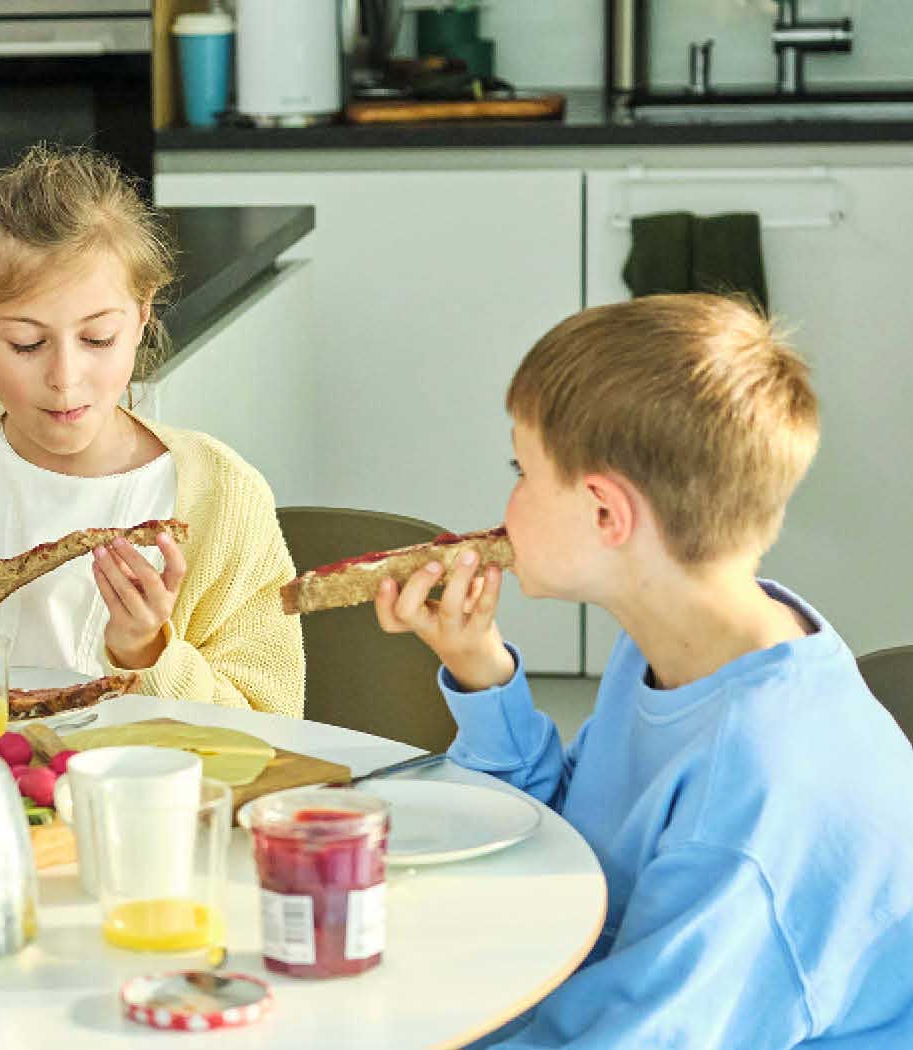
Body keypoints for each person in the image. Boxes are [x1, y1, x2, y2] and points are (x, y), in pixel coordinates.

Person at [375, 294, 913, 1047]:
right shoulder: (681, 646)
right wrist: (480, 668)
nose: (507, 501)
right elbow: (571, 843)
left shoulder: (755, 788)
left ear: (605, 513)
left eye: (522, 470)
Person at [0, 145, 304, 715]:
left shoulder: (226, 495)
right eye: (27, 343)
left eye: (97, 339)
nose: (65, 379)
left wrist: (150, 653)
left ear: (143, 315)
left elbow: (274, 727)